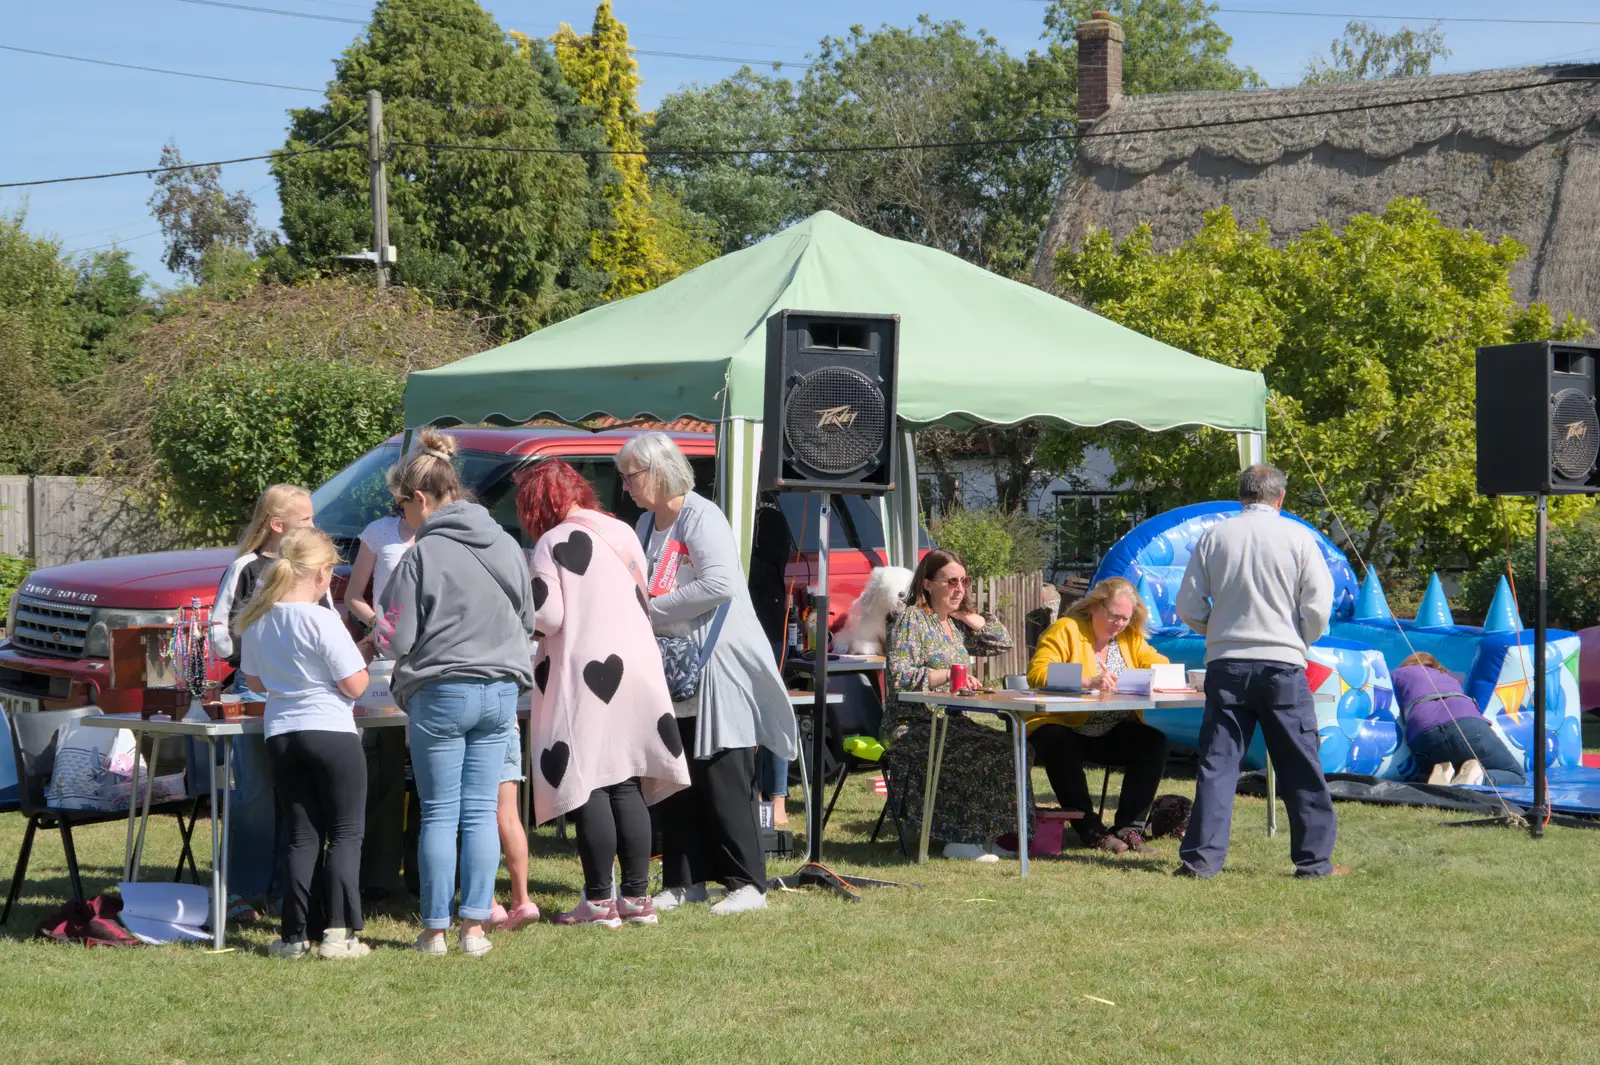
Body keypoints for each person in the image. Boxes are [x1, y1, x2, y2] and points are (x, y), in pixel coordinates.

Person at [618, 432, 798, 917]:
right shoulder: (644, 522)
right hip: (669, 670)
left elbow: (719, 582)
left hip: (717, 667)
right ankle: (685, 880)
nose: (626, 486)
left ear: (658, 472)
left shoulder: (702, 515)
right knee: (676, 775)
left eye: (631, 476)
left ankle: (747, 883)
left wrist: (651, 611)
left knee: (722, 774)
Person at [375, 429, 537, 956]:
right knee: (479, 811)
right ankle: (474, 928)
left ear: (419, 499)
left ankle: (436, 929)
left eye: (402, 506)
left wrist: (378, 630)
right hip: (499, 693)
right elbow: (527, 619)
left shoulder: (420, 556)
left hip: (440, 692)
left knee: (440, 812)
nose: (403, 517)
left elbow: (394, 636)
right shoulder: (508, 544)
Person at [517, 459, 691, 927]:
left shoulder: (551, 543)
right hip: (637, 664)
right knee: (627, 778)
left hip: (583, 670)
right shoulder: (623, 533)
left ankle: (598, 902)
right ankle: (636, 900)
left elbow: (548, 616)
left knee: (590, 781)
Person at [1174, 464, 1341, 880]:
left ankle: (1201, 862)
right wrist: (1301, 639)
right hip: (1283, 663)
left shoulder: (1214, 537)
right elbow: (1319, 605)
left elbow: (1189, 606)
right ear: (1280, 497)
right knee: (1300, 764)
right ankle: (1313, 863)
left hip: (1226, 663)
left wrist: (1218, 631)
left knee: (1218, 764)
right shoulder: (1299, 537)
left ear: (1241, 495)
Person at [238, 528, 371, 959]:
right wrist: (363, 656)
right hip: (330, 731)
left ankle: (294, 936)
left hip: (281, 733)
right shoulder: (322, 619)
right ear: (323, 573)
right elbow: (354, 686)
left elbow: (254, 680)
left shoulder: (262, 617)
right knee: (346, 834)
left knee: (301, 836)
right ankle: (338, 933)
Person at [207, 483, 326, 923]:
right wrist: (250, 655)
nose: (315, 525)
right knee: (255, 794)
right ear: (278, 525)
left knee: (293, 793)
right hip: (255, 693)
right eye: (307, 519)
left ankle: (283, 890)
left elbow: (328, 621)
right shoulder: (246, 567)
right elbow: (219, 629)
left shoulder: (313, 568)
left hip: (304, 694)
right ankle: (240, 889)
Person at [884, 547, 1023, 862]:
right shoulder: (911, 621)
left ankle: (992, 834)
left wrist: (969, 616)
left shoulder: (954, 626)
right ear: (928, 584)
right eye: (950, 582)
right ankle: (959, 839)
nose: (959, 589)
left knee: (1010, 745)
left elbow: (1003, 641)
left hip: (951, 719)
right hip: (913, 724)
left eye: (964, 581)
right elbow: (900, 677)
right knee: (979, 752)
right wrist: (949, 673)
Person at [1026, 576, 1172, 854]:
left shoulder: (1129, 638)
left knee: (1154, 742)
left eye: (1126, 618)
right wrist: (1087, 680)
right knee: (1058, 742)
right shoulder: (1066, 629)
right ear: (1094, 607)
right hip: (1061, 726)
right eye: (1115, 616)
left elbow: (1158, 663)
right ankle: (1092, 831)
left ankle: (1129, 829)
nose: (1119, 624)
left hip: (1108, 729)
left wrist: (1160, 676)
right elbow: (1038, 674)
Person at [342, 498, 417, 907]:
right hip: (386, 666)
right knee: (384, 773)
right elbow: (355, 594)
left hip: (435, 661)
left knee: (431, 776)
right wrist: (379, 625)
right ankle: (379, 875)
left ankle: (426, 876)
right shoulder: (379, 531)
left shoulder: (449, 529)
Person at [1393, 652, 1524, 787]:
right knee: (1516, 774)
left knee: (1424, 766)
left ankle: (1439, 773)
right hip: (1466, 723)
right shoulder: (1448, 677)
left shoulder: (1397, 675)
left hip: (1423, 732)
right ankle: (1479, 779)